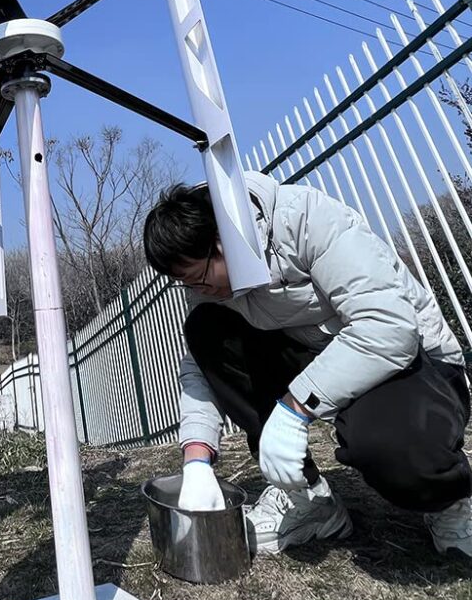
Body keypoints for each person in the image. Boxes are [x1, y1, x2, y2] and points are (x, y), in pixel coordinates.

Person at [142, 172, 472, 557]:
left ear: (223, 241)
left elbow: (389, 328)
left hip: (412, 363)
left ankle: (449, 500)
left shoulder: (306, 219)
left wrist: (295, 406)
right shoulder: (215, 287)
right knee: (206, 328)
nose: (199, 290)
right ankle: (309, 499)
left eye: (198, 277)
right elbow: (201, 366)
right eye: (186, 284)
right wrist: (196, 458)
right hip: (321, 361)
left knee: (387, 448)